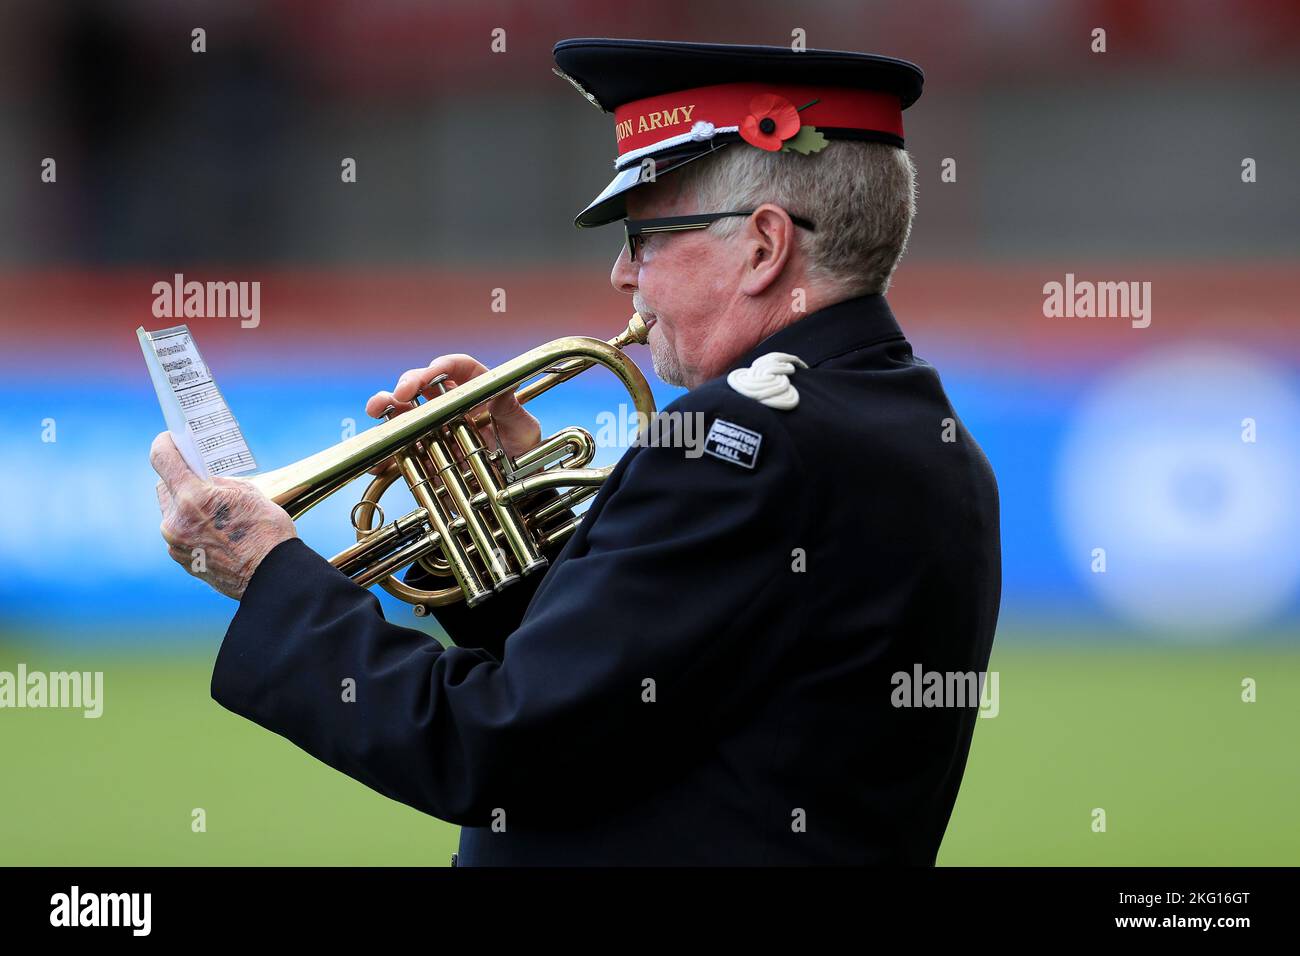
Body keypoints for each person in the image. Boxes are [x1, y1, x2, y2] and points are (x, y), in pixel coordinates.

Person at [152, 38, 1001, 865]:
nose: (622, 278)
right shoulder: (931, 438)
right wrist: (515, 512)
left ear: (763, 246)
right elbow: (643, 711)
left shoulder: (740, 439)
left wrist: (269, 575)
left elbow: (498, 748)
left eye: (644, 237)